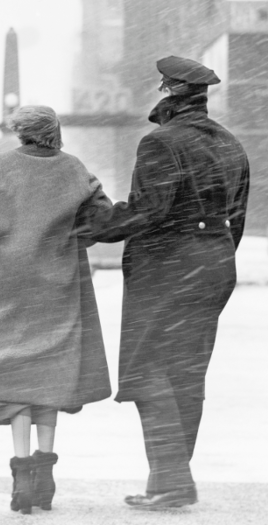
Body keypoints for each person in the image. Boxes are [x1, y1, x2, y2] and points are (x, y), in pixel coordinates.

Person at [85, 56, 250, 510]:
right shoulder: (232, 144)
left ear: (167, 93)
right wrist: (211, 254)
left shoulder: (160, 142)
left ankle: (172, 479)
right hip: (213, 264)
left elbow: (148, 210)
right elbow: (236, 217)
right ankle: (169, 478)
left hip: (168, 266)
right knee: (187, 375)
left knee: (146, 370)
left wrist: (92, 225)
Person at [0, 105, 113, 514]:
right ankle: (45, 474)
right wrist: (68, 242)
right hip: (57, 286)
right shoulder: (73, 168)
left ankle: (21, 475)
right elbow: (101, 218)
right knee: (48, 372)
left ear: (21, 132)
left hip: (5, 283)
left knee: (15, 373)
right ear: (54, 132)